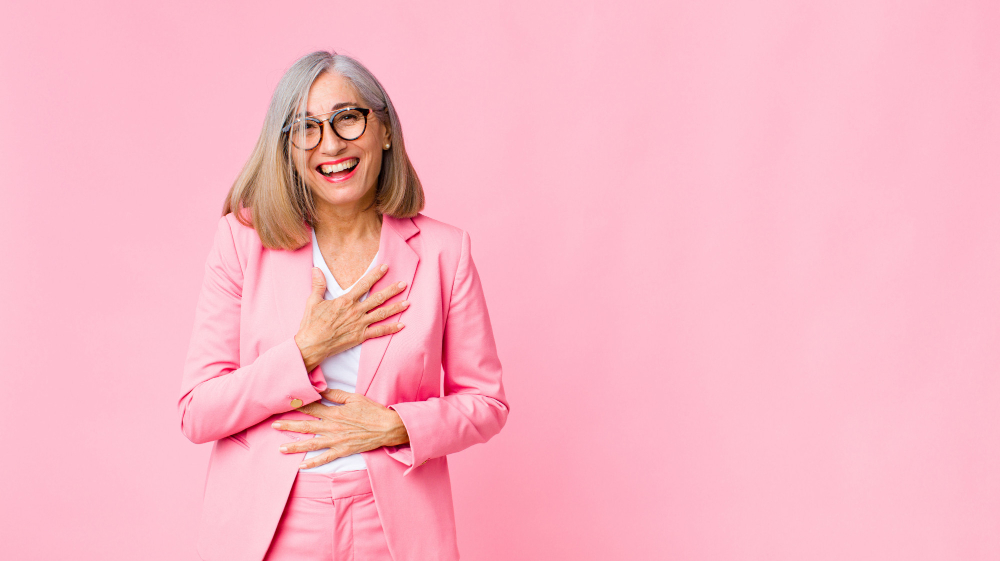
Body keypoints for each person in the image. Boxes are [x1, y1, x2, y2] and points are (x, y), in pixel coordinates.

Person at [178, 50, 509, 561]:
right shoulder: (243, 241)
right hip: (270, 527)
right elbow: (198, 412)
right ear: (287, 148)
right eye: (306, 127)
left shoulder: (446, 252)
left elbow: (487, 404)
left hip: (394, 526)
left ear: (385, 129)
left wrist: (396, 425)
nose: (330, 144)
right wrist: (305, 351)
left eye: (347, 118)